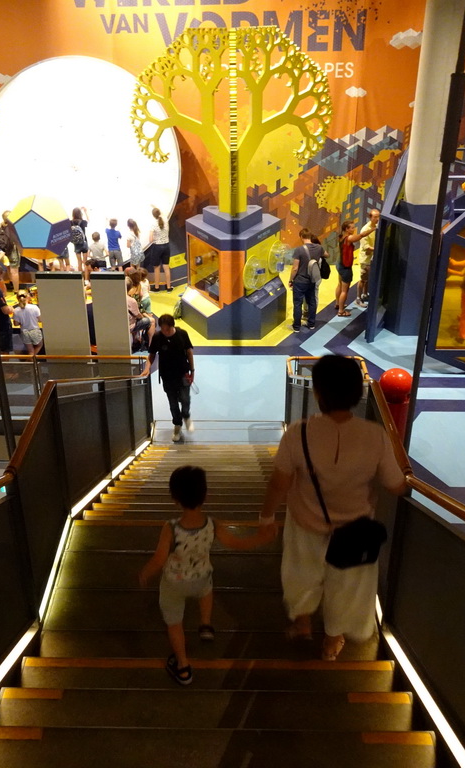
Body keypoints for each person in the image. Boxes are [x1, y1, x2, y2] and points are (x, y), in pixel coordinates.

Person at [258, 355, 406, 661]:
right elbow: (395, 486)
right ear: (356, 393)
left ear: (319, 393)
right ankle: (332, 639)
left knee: (301, 575)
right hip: (354, 532)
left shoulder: (297, 433)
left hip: (305, 525)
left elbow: (279, 483)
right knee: (345, 588)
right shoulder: (375, 436)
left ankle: (302, 621)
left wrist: (267, 516)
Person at [139, 465, 272, 685]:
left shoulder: (170, 528)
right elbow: (236, 543)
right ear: (205, 495)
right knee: (207, 590)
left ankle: (182, 665)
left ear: (175, 499)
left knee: (174, 623)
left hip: (174, 583)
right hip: (200, 577)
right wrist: (262, 538)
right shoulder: (212, 524)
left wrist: (146, 573)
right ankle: (206, 624)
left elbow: (159, 559)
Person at [142, 315, 194, 443]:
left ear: (172, 326)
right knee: (173, 403)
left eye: (168, 329)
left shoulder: (182, 334)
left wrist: (192, 371)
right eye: (163, 329)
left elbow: (189, 353)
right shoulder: (158, 337)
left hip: (182, 373)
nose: (165, 332)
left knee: (185, 399)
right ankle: (177, 425)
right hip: (167, 375)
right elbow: (152, 355)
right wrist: (147, 368)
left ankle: (186, 416)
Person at [287, 228, 323, 332]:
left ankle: (296, 326)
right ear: (311, 236)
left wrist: (291, 280)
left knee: (298, 303)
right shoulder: (319, 248)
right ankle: (311, 324)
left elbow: (295, 268)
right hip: (312, 280)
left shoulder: (299, 250)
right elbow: (326, 255)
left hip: (300, 281)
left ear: (301, 237)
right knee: (312, 301)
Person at [335, 219, 373, 318]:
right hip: (345, 267)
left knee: (339, 285)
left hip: (339, 264)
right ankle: (341, 311)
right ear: (347, 229)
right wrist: (373, 229)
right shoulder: (349, 238)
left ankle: (338, 303)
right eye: (352, 227)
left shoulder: (341, 237)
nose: (354, 228)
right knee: (345, 290)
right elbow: (361, 235)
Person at [355, 209, 380, 308]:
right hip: (365, 259)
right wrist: (378, 248)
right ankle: (358, 298)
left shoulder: (377, 227)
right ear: (370, 217)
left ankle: (365, 295)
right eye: (375, 217)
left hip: (373, 257)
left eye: (378, 216)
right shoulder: (365, 229)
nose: (377, 219)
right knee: (363, 279)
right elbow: (366, 247)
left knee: (368, 279)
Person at [148, 208, 172, 292]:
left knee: (156, 268)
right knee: (166, 267)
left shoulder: (153, 224)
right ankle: (169, 287)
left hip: (157, 247)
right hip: (166, 246)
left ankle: (157, 287)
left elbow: (150, 239)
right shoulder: (165, 219)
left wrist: (155, 238)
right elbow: (163, 212)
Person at [12, 290, 43, 354]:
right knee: (39, 345)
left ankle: (30, 360)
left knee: (30, 350)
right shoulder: (34, 307)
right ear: (28, 297)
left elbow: (16, 324)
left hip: (24, 332)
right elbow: (40, 319)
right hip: (34, 330)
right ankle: (31, 359)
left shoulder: (16, 310)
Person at [69, 206, 90, 274]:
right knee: (85, 262)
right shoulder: (83, 222)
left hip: (76, 243)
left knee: (79, 262)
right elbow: (88, 220)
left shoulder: (71, 222)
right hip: (84, 242)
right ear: (80, 214)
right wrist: (85, 211)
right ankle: (86, 278)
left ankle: (81, 277)